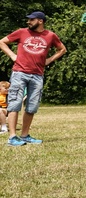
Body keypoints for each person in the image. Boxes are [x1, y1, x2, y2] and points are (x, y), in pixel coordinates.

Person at [0, 11, 66, 146]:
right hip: (19, 73)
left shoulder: (50, 36)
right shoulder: (21, 32)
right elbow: (2, 42)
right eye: (28, 20)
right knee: (14, 103)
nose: (28, 22)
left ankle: (24, 136)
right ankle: (12, 137)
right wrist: (13, 56)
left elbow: (62, 49)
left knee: (32, 106)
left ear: (40, 21)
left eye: (31, 20)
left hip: (37, 75)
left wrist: (49, 60)